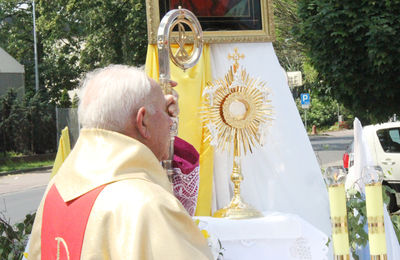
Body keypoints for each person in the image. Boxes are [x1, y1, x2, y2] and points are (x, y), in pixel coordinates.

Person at [27, 65, 213, 259]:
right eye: (167, 115)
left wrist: (155, 107)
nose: (170, 122)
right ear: (142, 122)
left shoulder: (56, 190)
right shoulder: (147, 204)